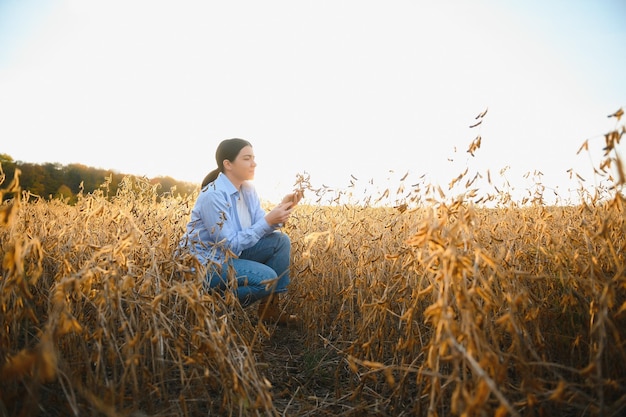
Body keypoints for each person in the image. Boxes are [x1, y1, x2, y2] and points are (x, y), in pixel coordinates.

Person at [180, 138, 302, 324]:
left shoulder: (248, 190)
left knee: (280, 241)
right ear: (228, 164)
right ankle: (209, 307)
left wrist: (283, 207)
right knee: (267, 278)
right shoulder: (213, 195)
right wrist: (269, 220)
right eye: (247, 158)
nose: (254, 163)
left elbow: (261, 225)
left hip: (231, 257)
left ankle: (269, 311)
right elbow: (228, 244)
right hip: (205, 264)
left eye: (253, 157)